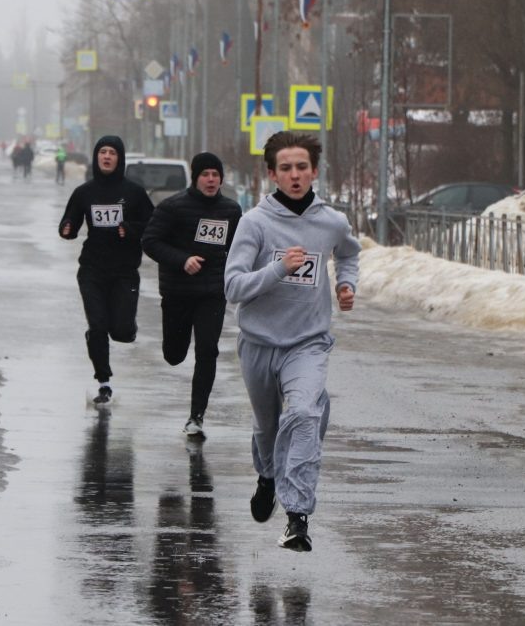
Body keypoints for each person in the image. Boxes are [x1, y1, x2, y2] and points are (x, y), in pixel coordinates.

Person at [224, 131, 361, 552]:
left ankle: (297, 516)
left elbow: (350, 253)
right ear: (272, 174)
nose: (295, 175)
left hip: (309, 342)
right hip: (260, 344)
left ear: (314, 171)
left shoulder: (331, 222)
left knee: (302, 414)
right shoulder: (255, 223)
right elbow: (233, 286)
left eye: (302, 167)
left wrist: (345, 283)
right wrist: (279, 270)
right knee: (268, 428)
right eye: (286, 168)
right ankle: (267, 476)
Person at [142, 152, 242, 437]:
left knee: (208, 350)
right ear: (196, 177)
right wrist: (182, 259)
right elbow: (150, 241)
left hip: (212, 292)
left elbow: (239, 248)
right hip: (177, 291)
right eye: (205, 174)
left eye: (215, 175)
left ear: (221, 179)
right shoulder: (172, 207)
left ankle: (196, 416)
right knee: (174, 354)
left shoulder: (231, 210)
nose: (211, 180)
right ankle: (175, 352)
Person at [58, 136, 154, 405]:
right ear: (96, 157)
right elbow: (70, 223)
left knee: (121, 331)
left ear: (119, 158)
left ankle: (125, 328)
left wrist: (130, 229)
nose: (107, 156)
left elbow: (152, 225)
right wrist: (66, 228)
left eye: (112, 152)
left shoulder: (134, 193)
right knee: (98, 325)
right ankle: (104, 382)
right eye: (102, 152)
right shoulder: (84, 192)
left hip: (124, 271)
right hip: (92, 269)